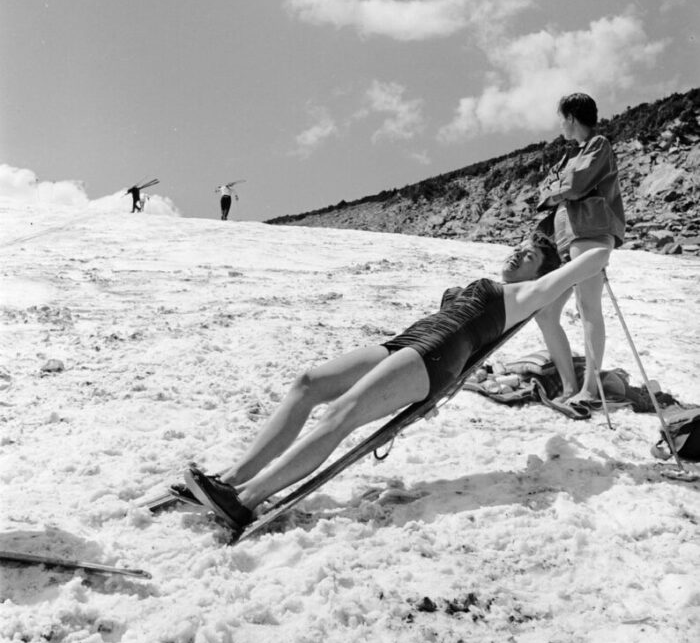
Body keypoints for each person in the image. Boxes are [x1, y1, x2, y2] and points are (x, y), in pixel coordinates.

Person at [184, 234, 611, 533]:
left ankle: (246, 500)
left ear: (542, 273)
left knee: (342, 413)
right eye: (518, 249)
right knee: (308, 383)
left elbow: (590, 261)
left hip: (436, 355)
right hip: (408, 342)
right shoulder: (498, 286)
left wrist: (594, 243)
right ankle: (233, 478)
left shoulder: (526, 296)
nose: (519, 255)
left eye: (531, 257)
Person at [534, 93, 625, 407]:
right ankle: (571, 386)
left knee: (588, 308)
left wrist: (557, 191)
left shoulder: (598, 144)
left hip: (591, 232)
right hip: (569, 239)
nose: (560, 124)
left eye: (561, 117)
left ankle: (588, 389)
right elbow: (543, 191)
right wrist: (557, 190)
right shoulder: (568, 156)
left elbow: (572, 186)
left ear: (571, 116)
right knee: (546, 312)